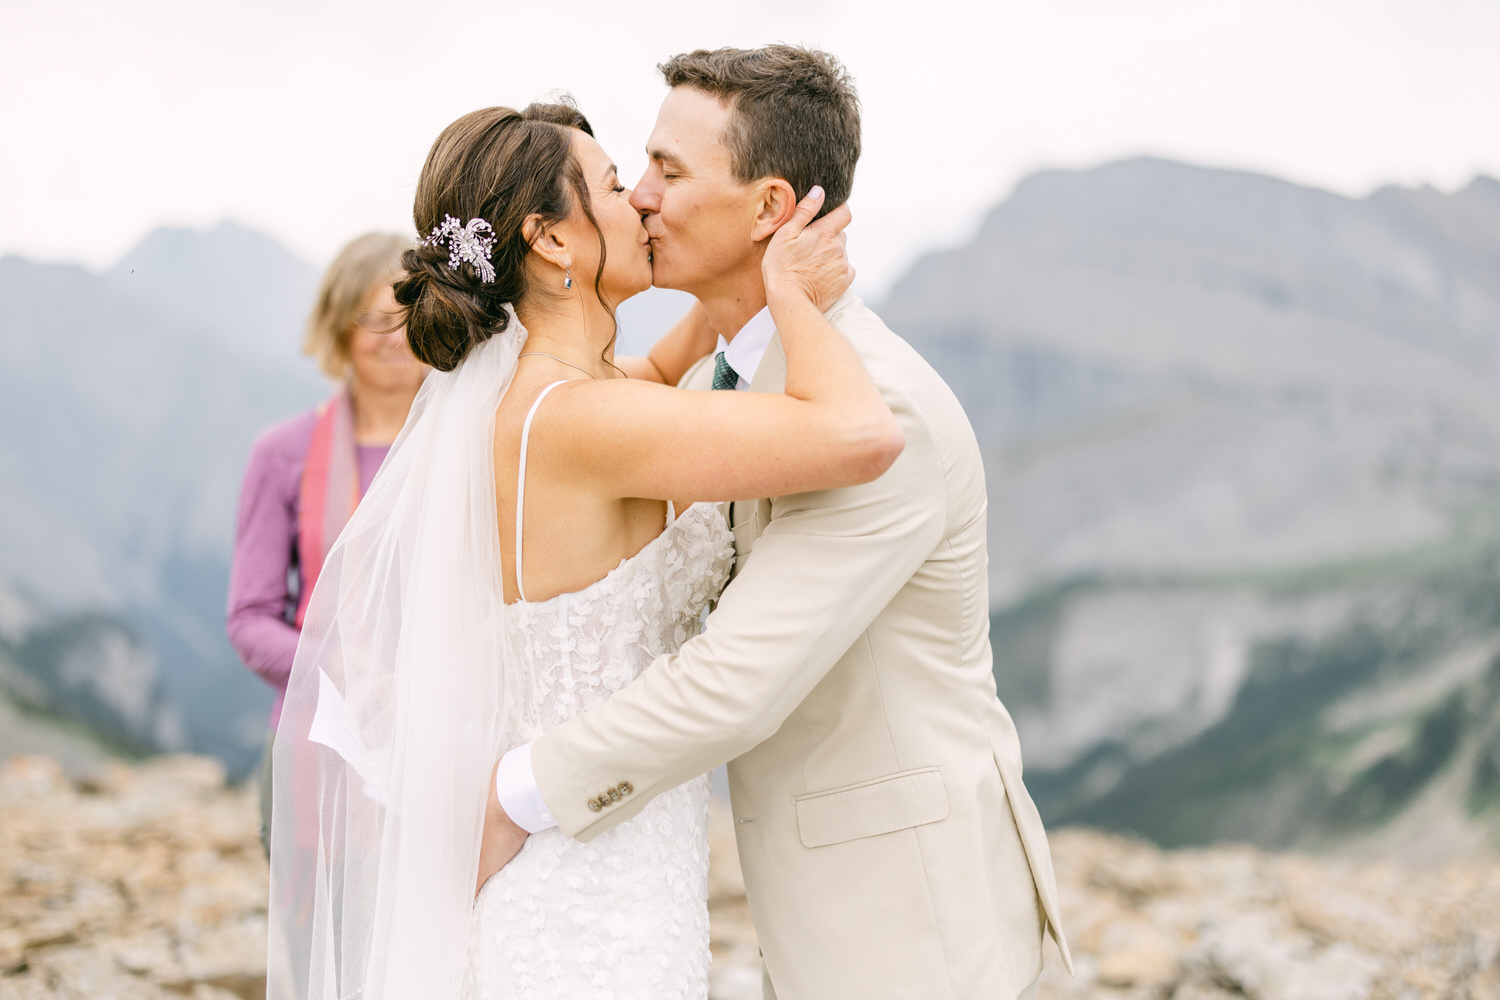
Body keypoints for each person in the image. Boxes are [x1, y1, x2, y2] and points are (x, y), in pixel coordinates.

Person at [264, 100, 895, 1000]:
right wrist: (796, 296)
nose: (640, 201)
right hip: (587, 904)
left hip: (607, 862)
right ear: (552, 241)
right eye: (610, 184)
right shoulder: (586, 420)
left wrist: (741, 269)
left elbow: (668, 364)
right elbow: (861, 435)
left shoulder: (565, 396)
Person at [484, 45, 1073, 999]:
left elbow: (735, 684)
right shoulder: (727, 377)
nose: (639, 198)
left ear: (767, 208)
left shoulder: (881, 409)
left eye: (668, 173)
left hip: (907, 917)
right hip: (804, 912)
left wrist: (515, 797)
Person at [227, 232, 426, 854]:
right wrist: (329, 664)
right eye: (373, 319)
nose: (393, 336)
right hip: (315, 742)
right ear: (339, 326)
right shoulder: (282, 452)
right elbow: (250, 619)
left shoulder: (474, 445)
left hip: (441, 744)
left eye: (409, 315)